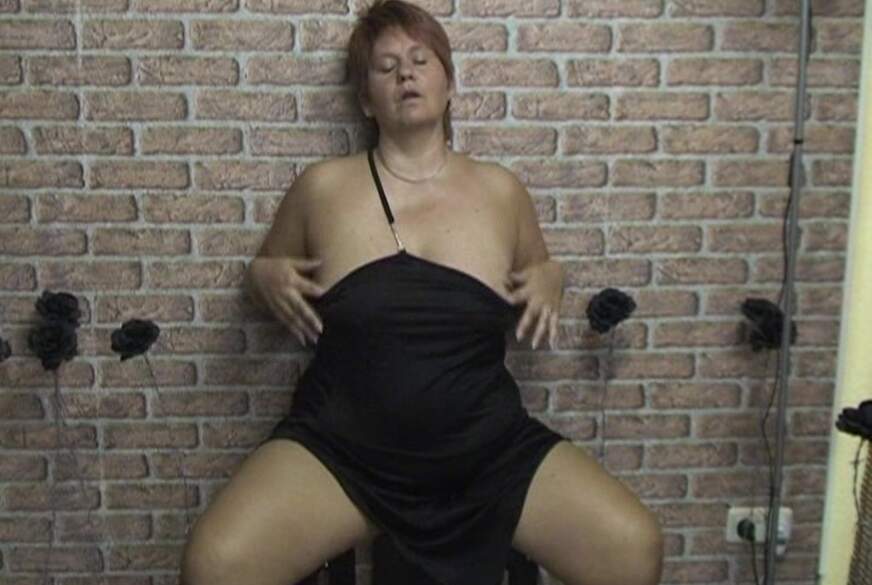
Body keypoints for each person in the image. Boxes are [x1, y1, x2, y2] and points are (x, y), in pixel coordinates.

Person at [179, 1, 664, 585]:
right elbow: (265, 272)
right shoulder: (322, 187)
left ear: (449, 83)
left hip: (485, 452)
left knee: (632, 548)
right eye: (386, 67)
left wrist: (551, 275)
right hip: (344, 454)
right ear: (366, 100)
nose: (405, 73)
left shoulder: (501, 190)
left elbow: (539, 267)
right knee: (215, 565)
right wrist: (264, 278)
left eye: (420, 60)